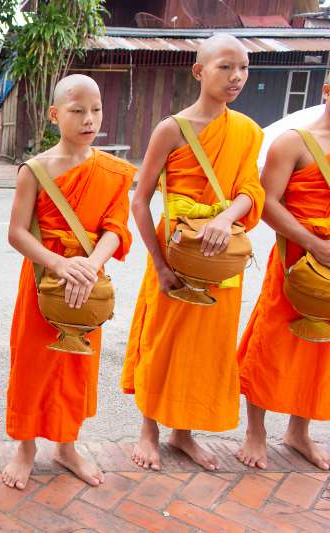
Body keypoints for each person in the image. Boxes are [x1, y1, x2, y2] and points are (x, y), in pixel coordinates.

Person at [121, 34, 264, 471]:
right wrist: (159, 263)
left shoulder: (246, 131)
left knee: (206, 345)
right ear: (199, 71)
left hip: (222, 254)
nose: (236, 76)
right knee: (162, 339)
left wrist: (226, 218)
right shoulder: (172, 129)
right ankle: (148, 429)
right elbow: (140, 200)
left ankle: (183, 433)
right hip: (177, 252)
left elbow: (250, 191)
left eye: (242, 67)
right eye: (225, 66)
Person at [1, 75, 134, 489]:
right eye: (77, 111)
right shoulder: (36, 171)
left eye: (95, 110)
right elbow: (17, 232)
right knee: (32, 363)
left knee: (77, 366)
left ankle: (67, 444)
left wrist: (91, 264)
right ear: (56, 114)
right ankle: (25, 448)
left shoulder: (113, 172)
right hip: (45, 277)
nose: (88, 118)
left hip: (88, 279)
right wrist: (60, 265)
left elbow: (115, 227)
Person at [236, 81, 330, 470]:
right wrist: (313, 243)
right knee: (271, 340)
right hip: (296, 259)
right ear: (327, 89)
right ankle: (255, 430)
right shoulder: (294, 142)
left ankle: (298, 431)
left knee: (319, 347)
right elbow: (267, 204)